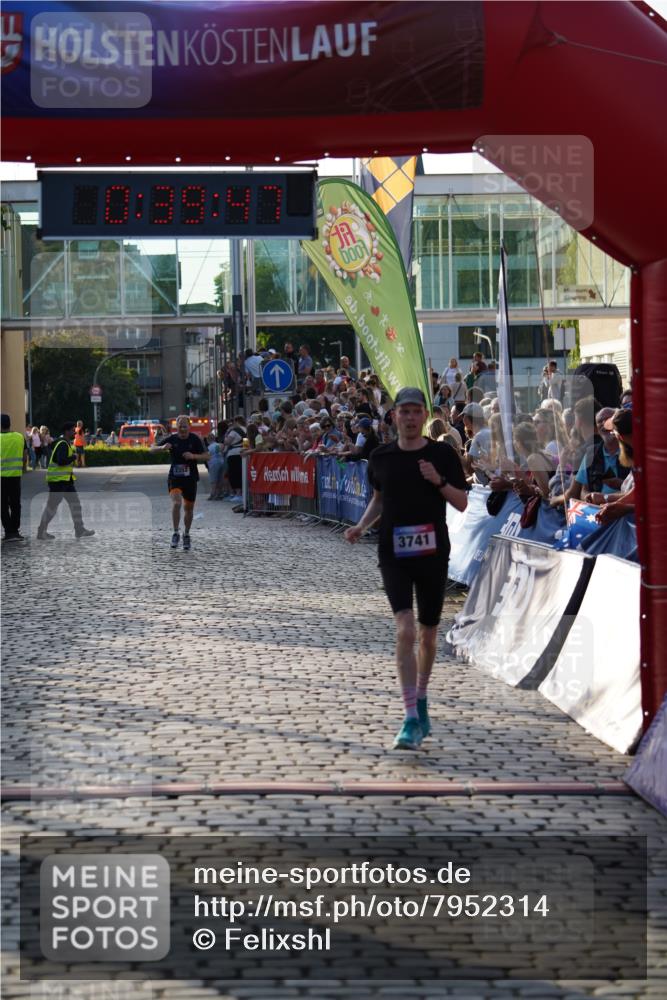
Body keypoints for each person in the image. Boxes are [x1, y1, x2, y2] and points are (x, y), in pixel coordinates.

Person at [344, 387, 468, 751]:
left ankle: (423, 696)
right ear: (394, 416)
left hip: (432, 553)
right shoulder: (380, 457)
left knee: (429, 635)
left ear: (424, 416)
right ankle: (411, 716)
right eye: (405, 412)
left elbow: (462, 502)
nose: (411, 418)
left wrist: (439, 481)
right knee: (404, 630)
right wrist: (362, 525)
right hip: (393, 553)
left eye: (417, 412)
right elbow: (380, 500)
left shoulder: (442, 454)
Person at [150, 415, 209, 550]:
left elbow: (207, 456)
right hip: (175, 477)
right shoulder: (172, 438)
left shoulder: (195, 439)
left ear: (189, 426)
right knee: (176, 503)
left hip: (190, 478)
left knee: (188, 508)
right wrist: (162, 447)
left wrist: (193, 456)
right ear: (177, 427)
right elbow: (151, 449)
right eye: (180, 426)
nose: (182, 429)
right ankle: (175, 532)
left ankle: (186, 534)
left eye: (185, 426)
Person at [36, 422, 95, 540]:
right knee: (52, 507)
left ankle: (79, 530)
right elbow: (60, 460)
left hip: (66, 481)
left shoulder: (64, 442)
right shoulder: (62, 444)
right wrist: (72, 457)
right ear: (66, 431)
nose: (74, 432)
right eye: (73, 430)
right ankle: (41, 532)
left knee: (75, 504)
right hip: (58, 481)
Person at [1, 413, 28, 541]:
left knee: (3, 505)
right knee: (15, 504)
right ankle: (15, 530)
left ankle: (8, 532)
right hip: (16, 477)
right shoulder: (19, 437)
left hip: (1, 478)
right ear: (9, 423)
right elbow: (24, 457)